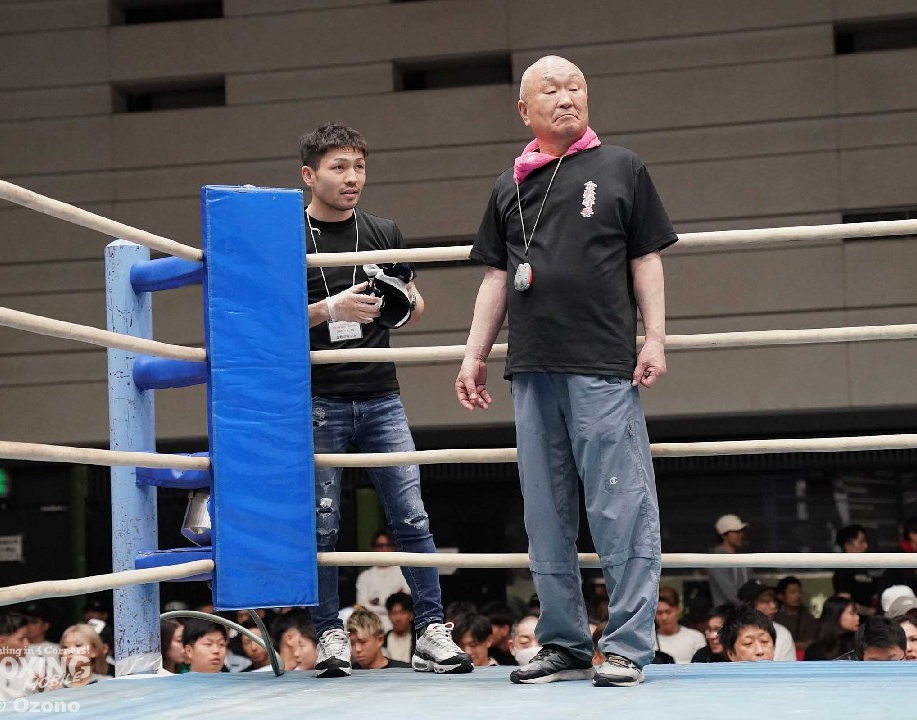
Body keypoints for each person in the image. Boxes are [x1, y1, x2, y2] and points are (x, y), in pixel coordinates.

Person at [456, 55, 676, 689]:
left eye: (575, 86)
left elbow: (647, 259)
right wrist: (474, 354)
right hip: (531, 367)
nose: (566, 97)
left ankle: (628, 645)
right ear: (525, 110)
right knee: (544, 513)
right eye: (550, 90)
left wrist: (654, 338)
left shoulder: (622, 166)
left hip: (602, 362)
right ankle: (564, 643)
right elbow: (496, 277)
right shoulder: (508, 184)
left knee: (620, 505)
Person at [301, 122, 471, 679]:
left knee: (412, 516)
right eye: (339, 167)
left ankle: (431, 631)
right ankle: (329, 634)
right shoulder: (288, 237)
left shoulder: (382, 230)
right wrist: (330, 310)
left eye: (359, 167)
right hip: (318, 398)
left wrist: (402, 301)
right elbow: (265, 322)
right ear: (309, 176)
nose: (352, 178)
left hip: (381, 395)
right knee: (322, 524)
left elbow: (414, 305)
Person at [355, 531, 410, 632]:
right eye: (380, 545)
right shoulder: (365, 577)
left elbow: (406, 603)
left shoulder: (404, 573)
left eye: (388, 545)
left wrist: (375, 604)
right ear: (373, 549)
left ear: (394, 548)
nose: (384, 549)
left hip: (396, 622)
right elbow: (361, 606)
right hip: (370, 623)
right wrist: (389, 606)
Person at [736, 580, 796, 661]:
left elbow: (788, 667)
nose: (773, 606)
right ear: (749, 605)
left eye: (774, 601)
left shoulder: (782, 633)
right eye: (765, 601)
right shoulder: (734, 631)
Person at [708, 515, 755, 606]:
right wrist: (746, 607)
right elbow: (728, 590)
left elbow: (751, 583)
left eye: (741, 531)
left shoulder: (742, 556)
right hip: (727, 611)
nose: (740, 535)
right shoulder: (717, 558)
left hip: (746, 610)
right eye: (736, 532)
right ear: (723, 535)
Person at [832, 524, 878, 615]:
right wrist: (871, 612)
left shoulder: (867, 570)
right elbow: (845, 604)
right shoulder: (842, 572)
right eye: (861, 542)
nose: (866, 546)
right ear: (848, 546)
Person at [345, 608, 411, 670]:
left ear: (380, 640)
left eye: (363, 642)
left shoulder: (404, 671)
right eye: (352, 643)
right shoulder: (348, 672)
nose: (357, 649)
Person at [654, 587, 706, 663]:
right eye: (659, 613)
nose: (664, 617)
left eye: (668, 612)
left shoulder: (696, 637)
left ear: (678, 610)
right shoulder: (649, 641)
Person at [51, 624, 110, 689]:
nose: (70, 651)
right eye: (65, 647)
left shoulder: (106, 683)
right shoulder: (55, 685)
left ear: (94, 651)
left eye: (78, 645)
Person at [804, 595, 859, 661]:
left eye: (857, 613)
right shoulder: (814, 650)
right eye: (852, 613)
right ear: (836, 615)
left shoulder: (859, 644)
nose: (857, 617)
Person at [773, 576, 818, 653]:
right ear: (781, 596)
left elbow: (810, 644)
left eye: (799, 592)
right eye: (792, 592)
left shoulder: (808, 618)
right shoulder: (775, 618)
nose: (797, 596)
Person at [383, 593, 415, 664]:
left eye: (403, 613)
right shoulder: (382, 641)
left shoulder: (419, 641)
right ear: (389, 616)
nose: (398, 618)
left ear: (411, 615)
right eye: (394, 613)